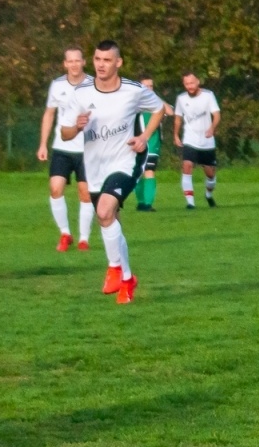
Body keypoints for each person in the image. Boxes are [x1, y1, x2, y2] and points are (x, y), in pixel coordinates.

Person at [60, 40, 165, 303]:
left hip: (126, 160)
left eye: (107, 60)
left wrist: (145, 137)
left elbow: (159, 108)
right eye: (97, 59)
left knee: (104, 211)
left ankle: (114, 268)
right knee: (109, 219)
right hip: (95, 166)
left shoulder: (133, 90)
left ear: (118, 63)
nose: (101, 65)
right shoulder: (81, 93)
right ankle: (128, 279)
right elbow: (64, 132)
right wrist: (77, 127)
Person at [38, 48, 95, 251]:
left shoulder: (94, 85)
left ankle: (84, 239)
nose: (74, 65)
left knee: (85, 194)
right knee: (55, 188)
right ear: (65, 64)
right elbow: (49, 114)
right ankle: (65, 233)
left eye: (77, 61)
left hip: (88, 149)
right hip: (62, 147)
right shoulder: (57, 85)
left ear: (83, 62)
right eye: (70, 61)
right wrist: (43, 144)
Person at [173, 72, 221, 209]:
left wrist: (212, 128)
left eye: (192, 83)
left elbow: (217, 115)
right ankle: (190, 203)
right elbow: (177, 118)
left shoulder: (208, 95)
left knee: (210, 174)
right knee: (187, 166)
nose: (190, 86)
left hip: (207, 140)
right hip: (190, 139)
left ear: (198, 82)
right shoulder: (181, 98)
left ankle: (208, 195)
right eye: (187, 84)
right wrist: (176, 135)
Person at [133, 75, 173, 212]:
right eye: (146, 86)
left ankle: (148, 204)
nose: (149, 89)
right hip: (136, 144)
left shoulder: (156, 103)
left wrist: (156, 98)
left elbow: (170, 111)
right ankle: (141, 202)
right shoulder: (134, 102)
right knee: (137, 173)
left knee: (149, 171)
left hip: (152, 143)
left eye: (151, 86)